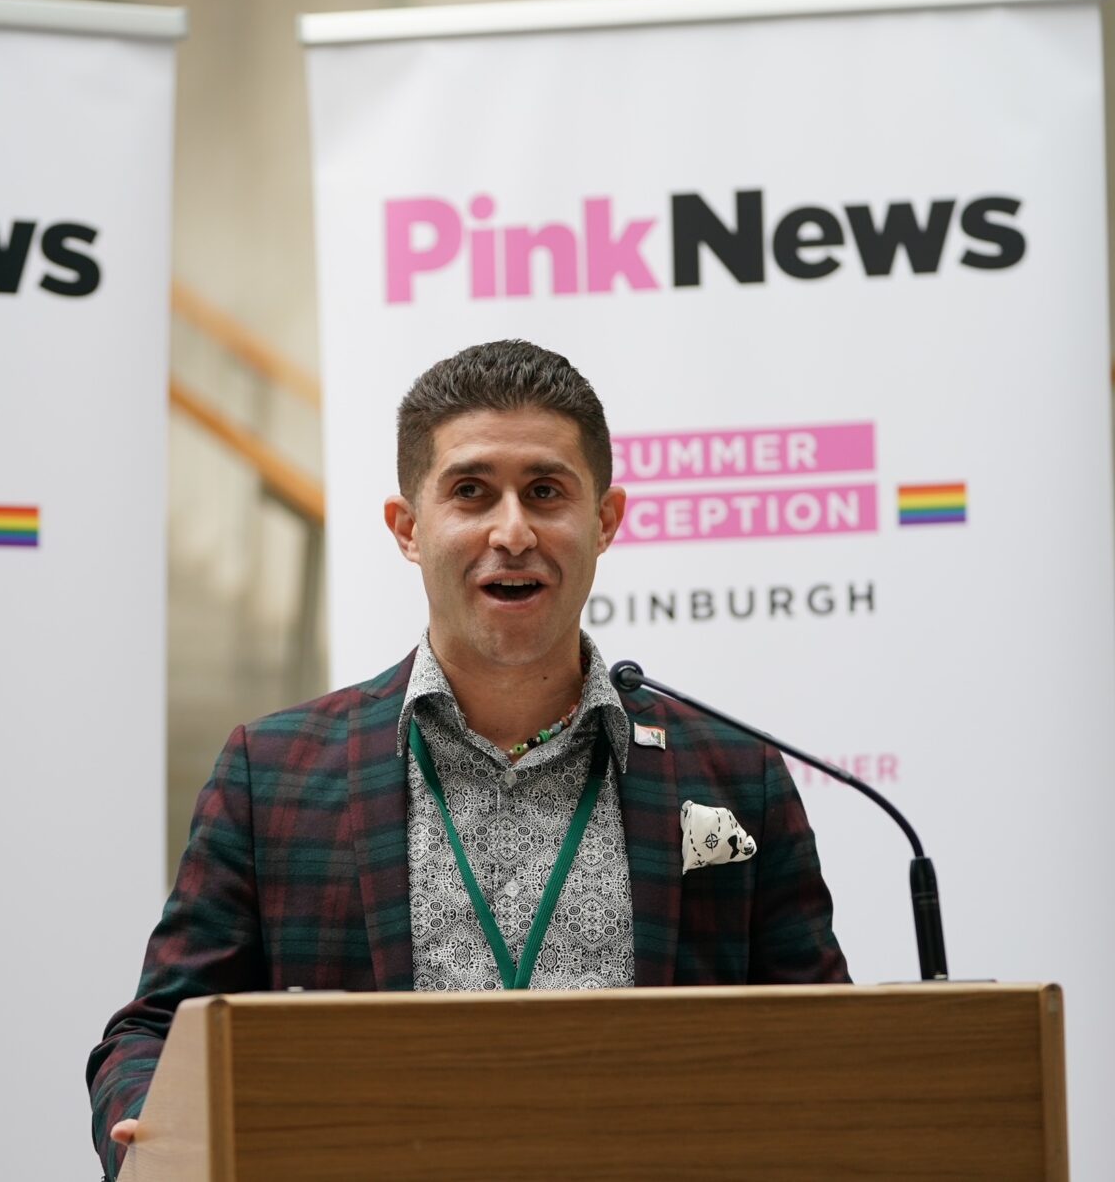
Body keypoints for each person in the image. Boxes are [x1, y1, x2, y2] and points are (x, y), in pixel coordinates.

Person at [87, 339, 846, 1177]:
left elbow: (824, 1042)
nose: (512, 530)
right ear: (409, 529)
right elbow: (154, 1030)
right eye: (471, 492)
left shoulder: (735, 773)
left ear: (605, 521)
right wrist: (152, 1133)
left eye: (547, 492)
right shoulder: (271, 775)